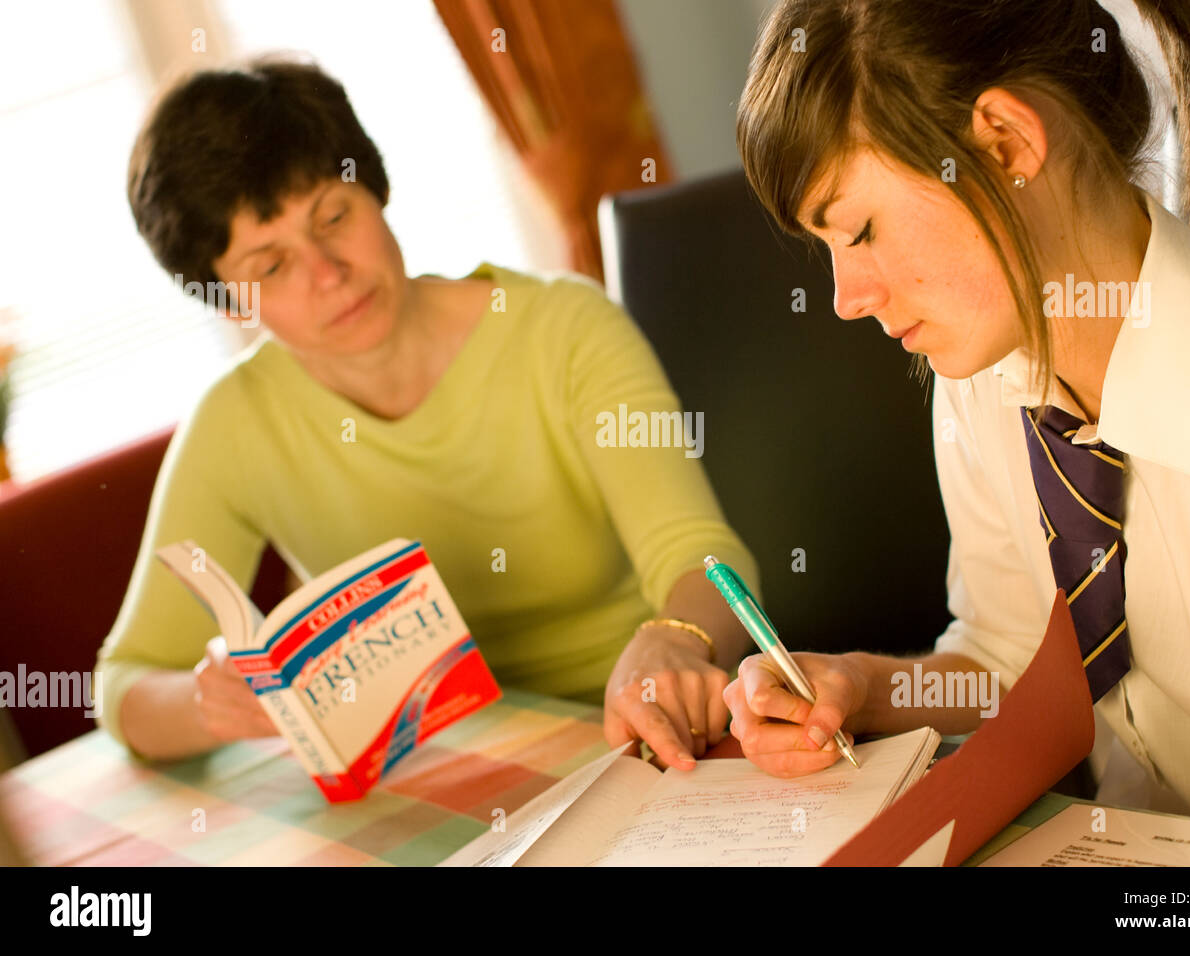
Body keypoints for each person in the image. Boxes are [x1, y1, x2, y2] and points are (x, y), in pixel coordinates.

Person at [725, 0, 1190, 827]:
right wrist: (863, 686)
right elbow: (1007, 654)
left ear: (1005, 144)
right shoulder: (982, 370)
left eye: (861, 230)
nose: (847, 299)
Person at [98, 57, 759, 772]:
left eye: (334, 216)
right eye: (270, 266)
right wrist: (211, 705)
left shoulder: (564, 328)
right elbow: (123, 683)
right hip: (444, 778)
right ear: (230, 303)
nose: (328, 273)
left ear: (376, 192)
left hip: (641, 741)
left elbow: (707, 559)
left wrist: (677, 635)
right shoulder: (236, 423)